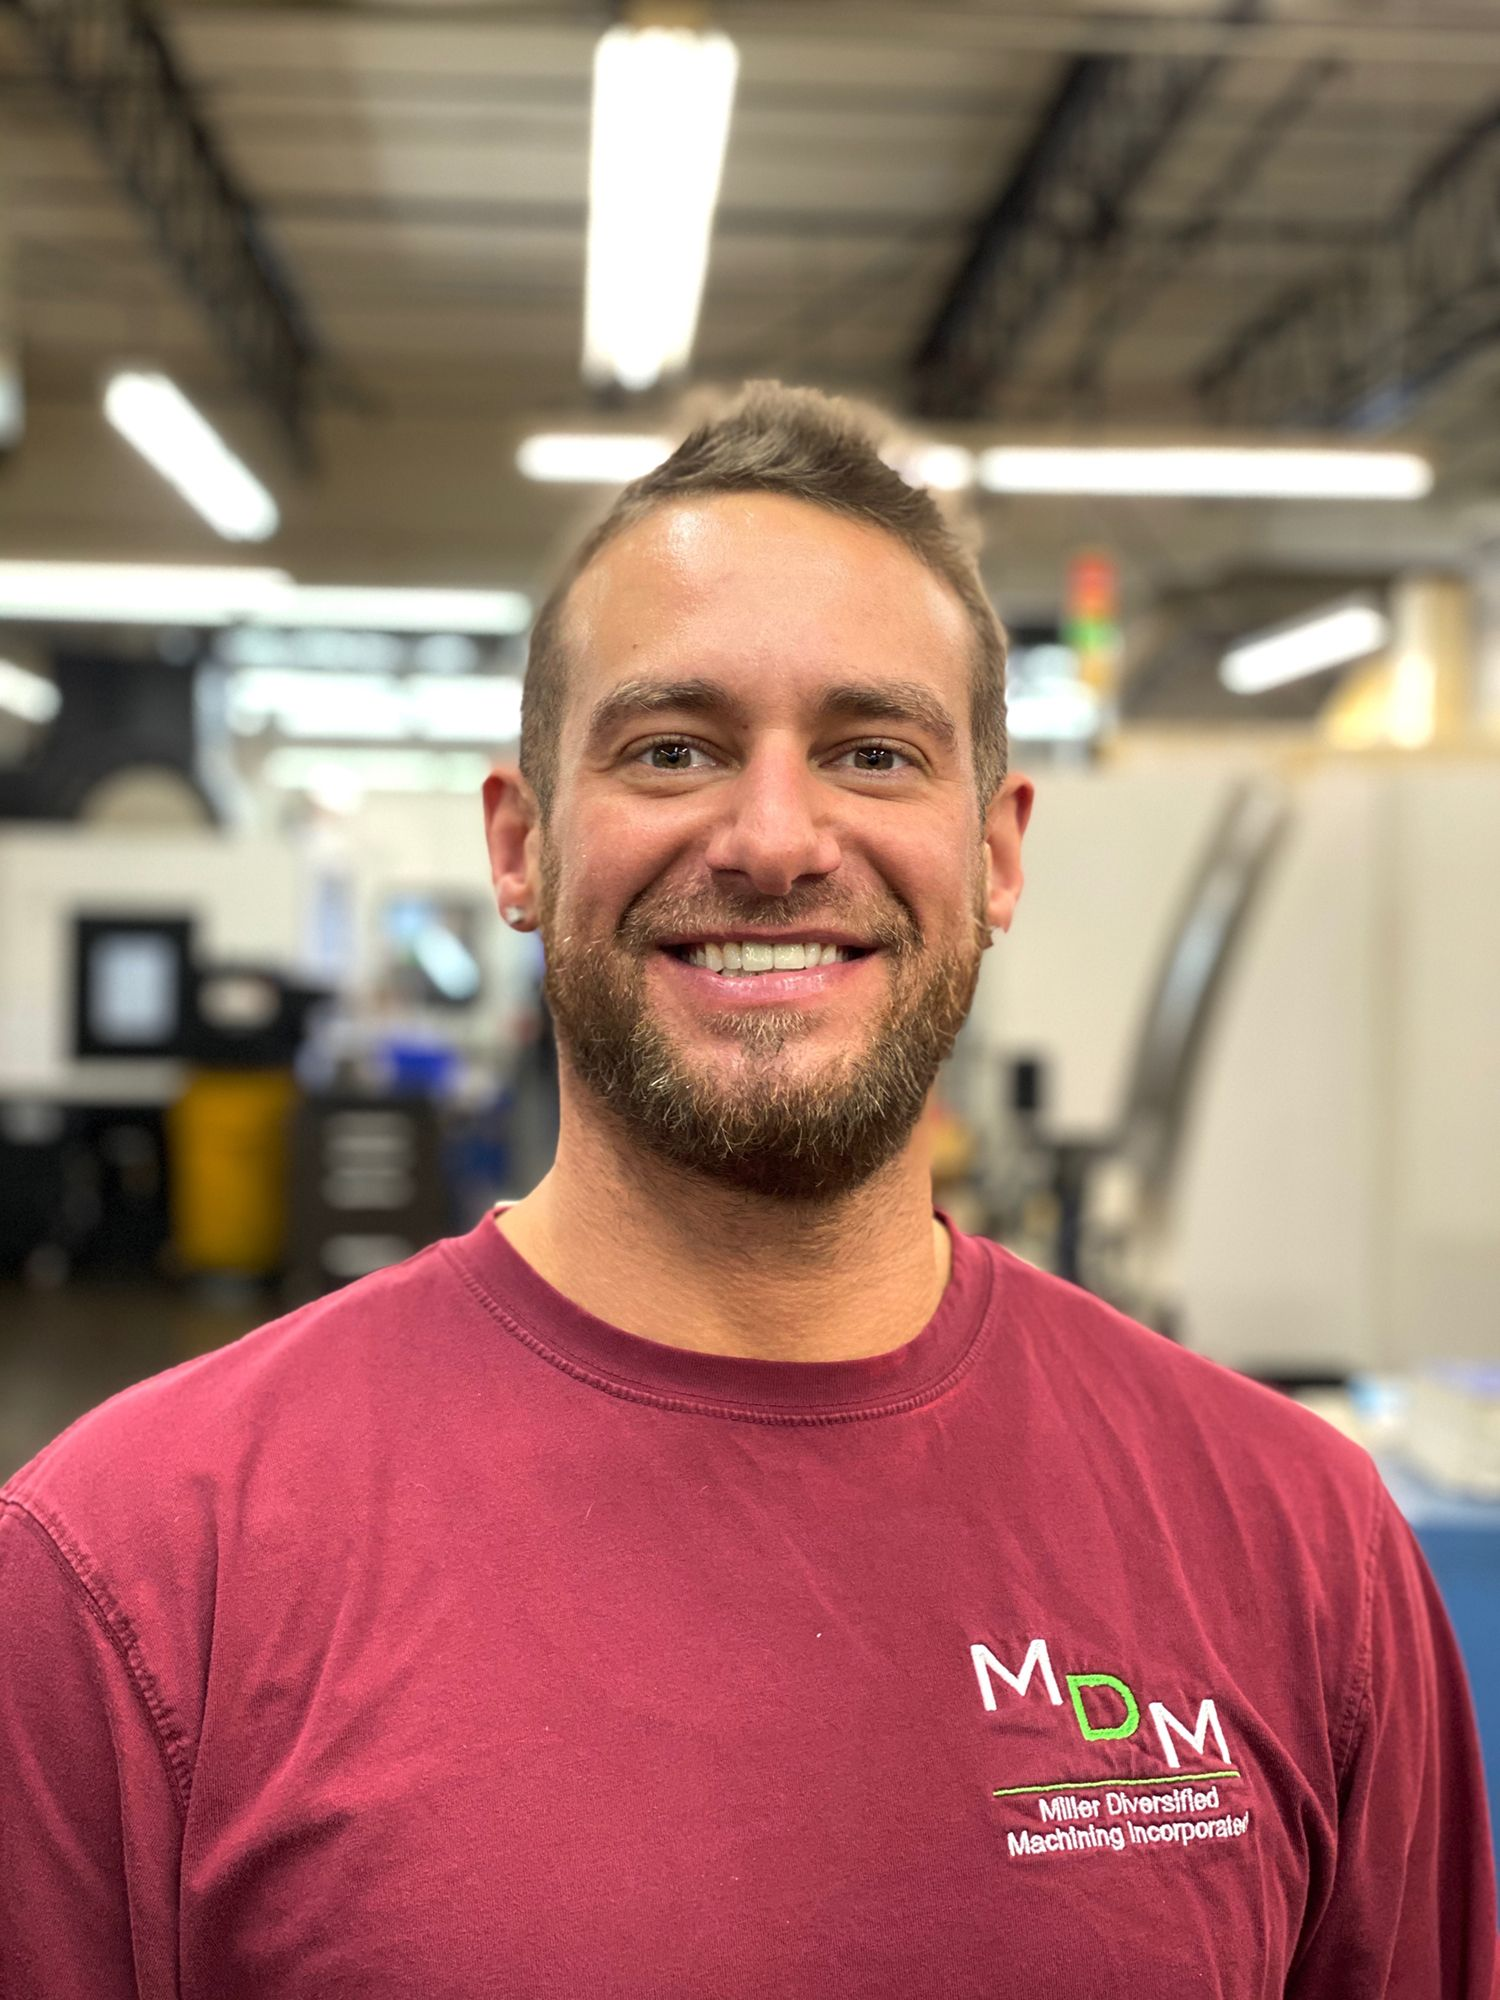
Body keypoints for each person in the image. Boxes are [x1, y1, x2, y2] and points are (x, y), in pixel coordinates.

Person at [1, 382, 1495, 2000]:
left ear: (997, 853)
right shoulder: (134, 1575)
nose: (776, 838)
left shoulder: (1300, 1548)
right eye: (671, 747)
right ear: (522, 846)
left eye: (871, 749)